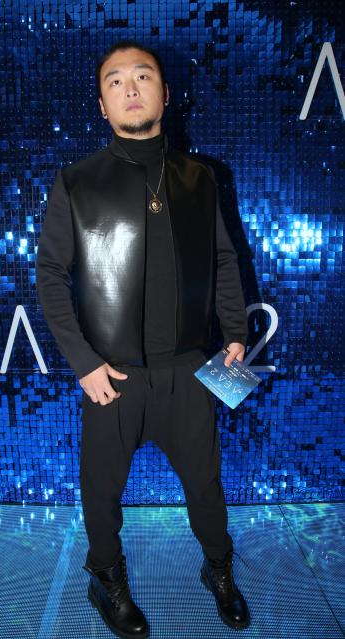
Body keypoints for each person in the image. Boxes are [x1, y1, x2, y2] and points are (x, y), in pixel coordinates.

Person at [36, 39, 251, 638]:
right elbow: (50, 276)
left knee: (206, 490)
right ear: (102, 105)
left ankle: (218, 569)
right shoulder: (77, 182)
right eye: (115, 81)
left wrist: (235, 333)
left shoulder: (203, 178)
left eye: (143, 76)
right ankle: (106, 578)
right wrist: (83, 362)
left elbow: (224, 258)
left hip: (191, 370)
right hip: (112, 374)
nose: (130, 88)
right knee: (101, 494)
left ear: (164, 92)